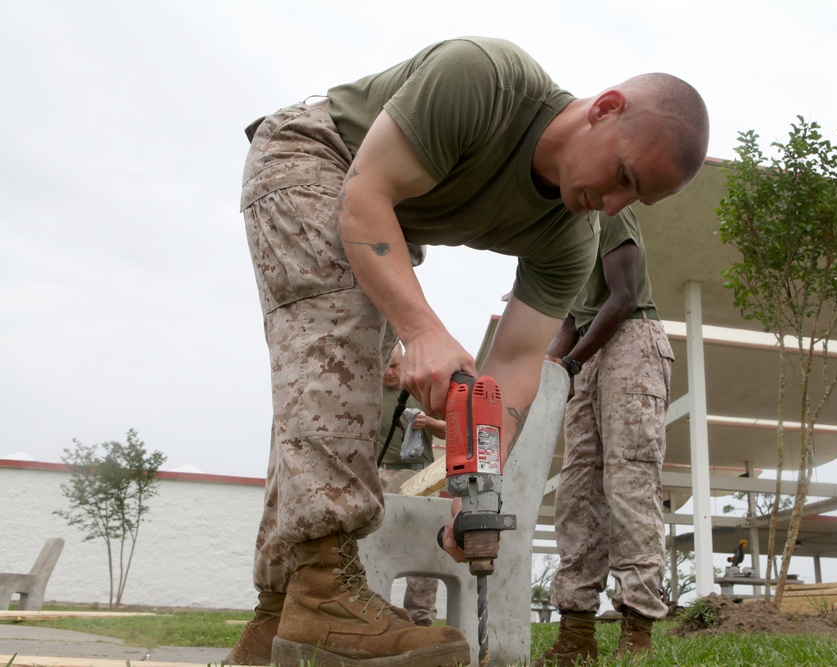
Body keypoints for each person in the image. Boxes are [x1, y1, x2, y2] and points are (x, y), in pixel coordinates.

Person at [227, 36, 709, 667]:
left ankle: (275, 621)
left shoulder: (571, 237)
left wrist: (475, 487)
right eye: (623, 177)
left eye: (634, 200)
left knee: (329, 395)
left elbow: (510, 372)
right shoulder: (484, 79)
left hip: (380, 214)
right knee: (334, 359)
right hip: (319, 157)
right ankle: (318, 595)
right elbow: (366, 195)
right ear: (605, 108)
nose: (615, 204)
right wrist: (423, 331)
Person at [537, 206, 673, 665]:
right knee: (577, 490)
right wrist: (549, 369)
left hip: (632, 341)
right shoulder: (557, 230)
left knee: (628, 482)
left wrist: (570, 361)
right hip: (588, 353)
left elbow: (624, 296)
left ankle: (637, 628)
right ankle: (576, 634)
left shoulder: (609, 210)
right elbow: (569, 319)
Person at [377, 342, 444, 627]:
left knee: (425, 547)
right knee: (378, 544)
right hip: (380, 475)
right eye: (383, 366)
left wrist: (428, 422)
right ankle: (375, 612)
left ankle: (421, 619)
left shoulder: (422, 390)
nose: (388, 373)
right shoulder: (368, 392)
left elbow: (454, 429)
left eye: (394, 366)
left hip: (422, 477)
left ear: (405, 363)